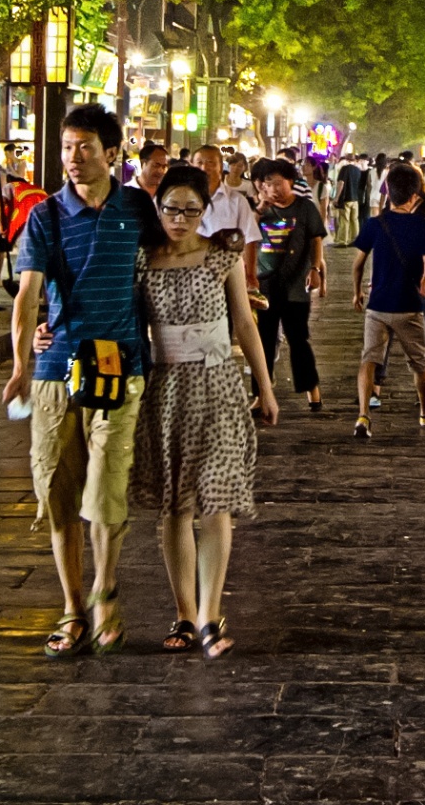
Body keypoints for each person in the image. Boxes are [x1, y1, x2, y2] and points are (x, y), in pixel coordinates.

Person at [5, 104, 147, 657]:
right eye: (66, 148)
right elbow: (27, 293)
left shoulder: (137, 208)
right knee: (58, 493)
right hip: (55, 370)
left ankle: (105, 591)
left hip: (121, 365)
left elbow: (163, 264)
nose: (72, 158)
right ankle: (71, 607)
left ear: (112, 153)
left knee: (106, 489)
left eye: (84, 147)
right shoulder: (45, 216)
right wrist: (20, 361)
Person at [132, 163, 278, 656]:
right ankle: (183, 613)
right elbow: (114, 315)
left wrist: (265, 383)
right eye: (171, 208)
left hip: (218, 387)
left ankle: (212, 615)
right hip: (164, 389)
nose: (180, 218)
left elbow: (244, 322)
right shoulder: (143, 260)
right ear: (158, 207)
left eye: (191, 209)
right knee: (176, 505)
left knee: (215, 501)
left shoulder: (223, 256)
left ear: (204, 210)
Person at [352, 161, 425, 437]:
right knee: (419, 364)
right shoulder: (422, 226)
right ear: (415, 195)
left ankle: (363, 417)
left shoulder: (375, 224)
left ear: (389, 193)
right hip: (409, 306)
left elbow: (358, 263)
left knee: (369, 360)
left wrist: (356, 291)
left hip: (378, 306)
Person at [251, 156, 326, 412]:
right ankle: (261, 393)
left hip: (296, 285)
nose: (274, 188)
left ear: (291, 182)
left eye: (279, 182)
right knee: (263, 340)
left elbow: (316, 239)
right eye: (267, 183)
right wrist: (260, 207)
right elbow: (246, 236)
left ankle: (312, 389)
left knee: (298, 338)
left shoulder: (305, 208)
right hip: (264, 285)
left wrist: (316, 269)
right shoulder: (259, 211)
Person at [194, 144, 260, 288]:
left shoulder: (237, 201)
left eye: (211, 162)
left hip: (229, 276)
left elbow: (250, 239)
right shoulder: (183, 201)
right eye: (199, 163)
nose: (204, 168)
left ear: (220, 167)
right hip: (191, 274)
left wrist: (250, 275)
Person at [333, 153, 367, 249]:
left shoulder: (344, 169)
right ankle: (355, 239)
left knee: (344, 220)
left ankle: (343, 240)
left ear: (346, 159)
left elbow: (341, 183)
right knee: (354, 220)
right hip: (355, 199)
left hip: (346, 198)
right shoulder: (358, 170)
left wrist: (336, 197)